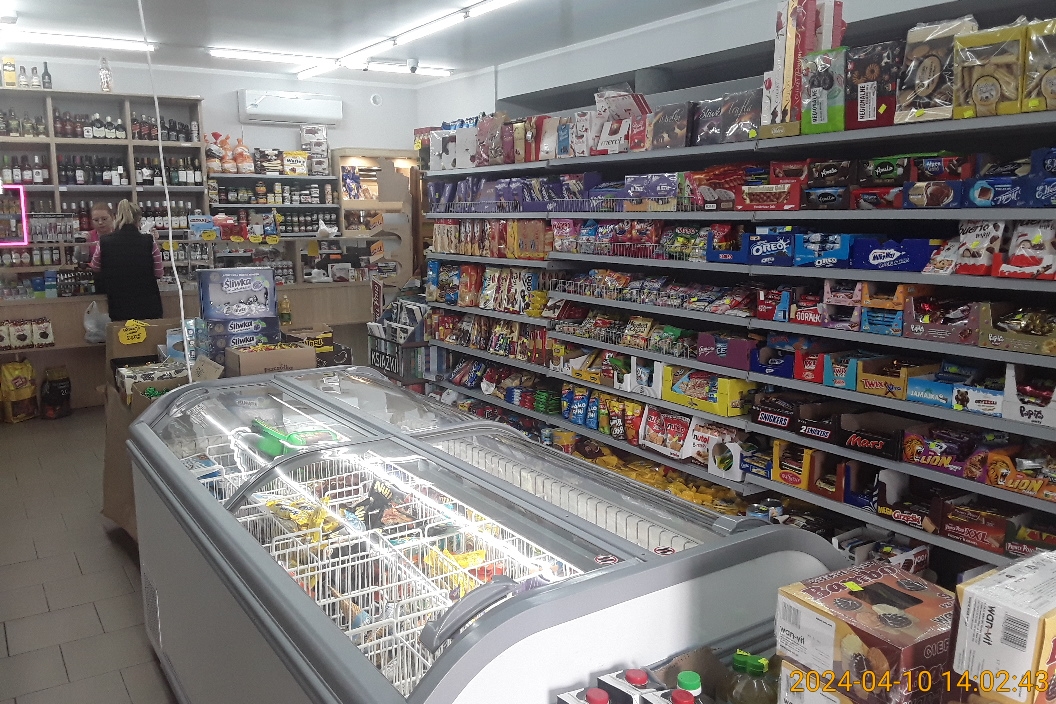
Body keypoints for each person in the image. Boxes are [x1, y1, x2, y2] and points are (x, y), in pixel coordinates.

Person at [90, 200, 164, 322]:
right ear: (138, 219)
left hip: (118, 306)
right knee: (149, 333)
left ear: (117, 217)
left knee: (121, 333)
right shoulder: (149, 241)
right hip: (148, 305)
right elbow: (159, 272)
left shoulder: (104, 242)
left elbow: (95, 267)